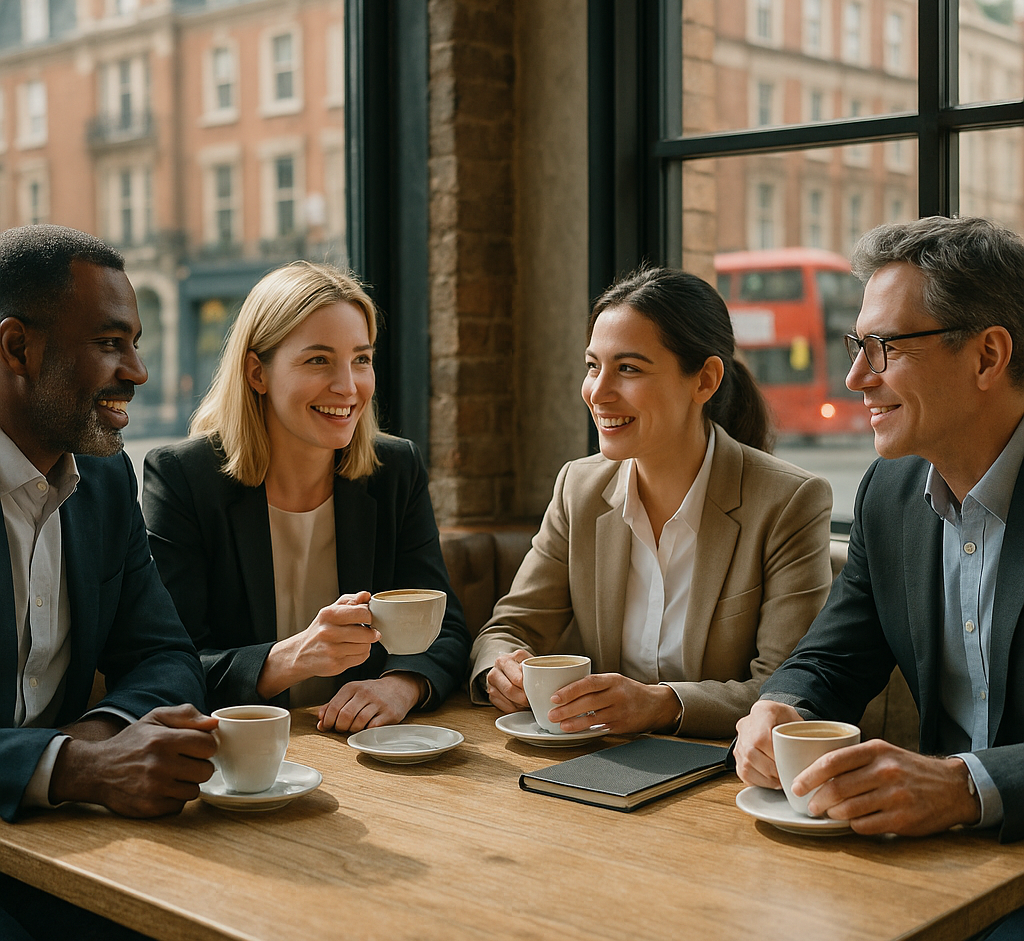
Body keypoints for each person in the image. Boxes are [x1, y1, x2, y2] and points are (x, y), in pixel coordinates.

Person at [734, 217, 1024, 864]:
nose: (857, 378)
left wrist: (966, 787)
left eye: (886, 347)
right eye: (856, 346)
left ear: (988, 356)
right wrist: (783, 709)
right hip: (935, 855)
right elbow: (833, 657)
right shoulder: (889, 495)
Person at [470, 266, 833, 738]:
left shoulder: (788, 502)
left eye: (628, 369)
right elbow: (511, 627)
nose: (597, 393)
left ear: (705, 381)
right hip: (595, 761)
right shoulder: (579, 487)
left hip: (724, 776)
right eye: (592, 366)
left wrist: (664, 705)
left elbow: (785, 690)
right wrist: (503, 668)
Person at [142, 261, 471, 732]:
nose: (348, 386)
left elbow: (447, 629)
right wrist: (294, 657)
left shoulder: (394, 470)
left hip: (365, 749)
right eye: (319, 360)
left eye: (361, 359)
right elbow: (166, 664)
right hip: (241, 753)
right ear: (257, 372)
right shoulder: (183, 478)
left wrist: (401, 684)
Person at [0, 224, 215, 941]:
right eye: (111, 342)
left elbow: (165, 656)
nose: (139, 371)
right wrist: (79, 769)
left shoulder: (104, 480)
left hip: (68, 851)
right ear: (16, 348)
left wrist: (95, 743)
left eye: (136, 342)